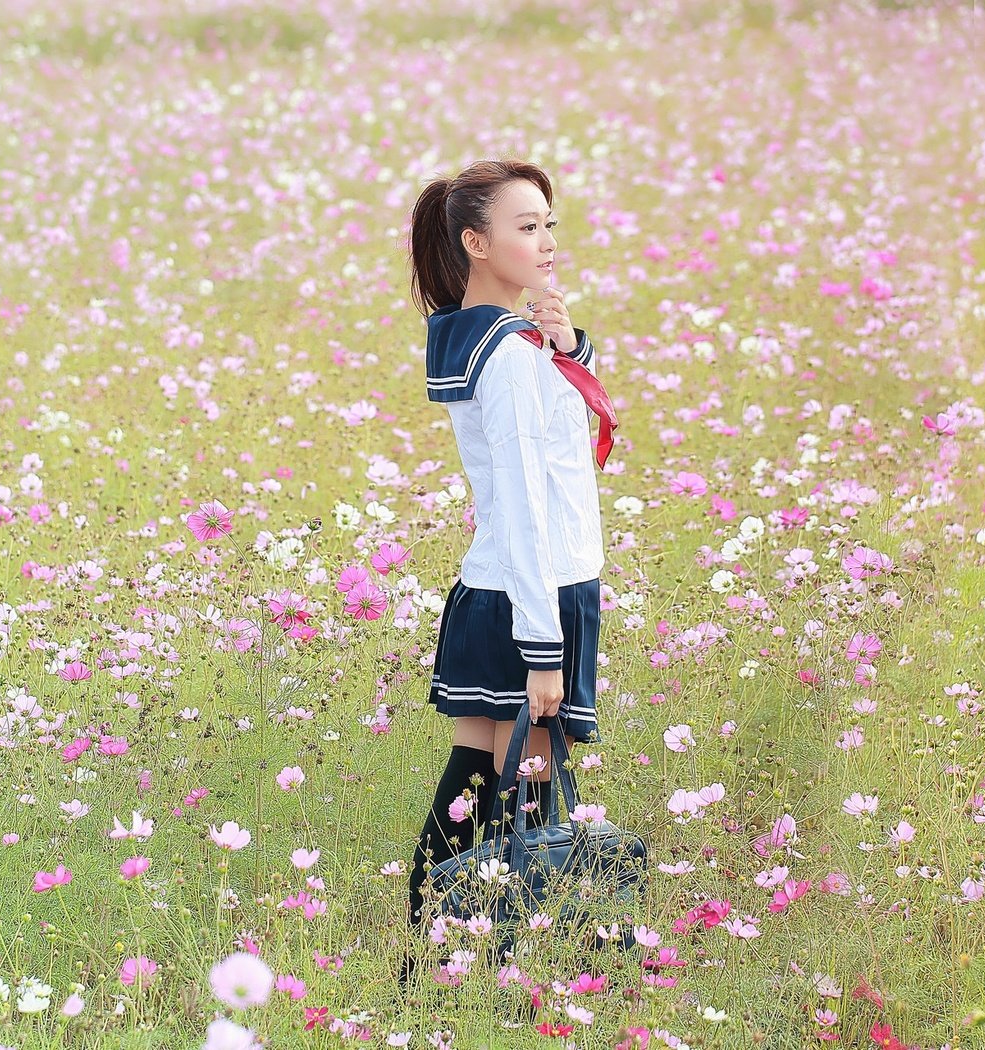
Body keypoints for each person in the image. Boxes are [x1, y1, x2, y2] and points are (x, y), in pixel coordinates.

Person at [399, 159, 619, 984]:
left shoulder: (495, 338)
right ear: (476, 243)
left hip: (501, 589)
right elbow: (529, 504)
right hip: (534, 595)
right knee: (524, 795)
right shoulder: (506, 356)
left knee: (485, 784)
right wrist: (543, 645)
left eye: (549, 225)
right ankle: (501, 962)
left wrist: (564, 344)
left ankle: (444, 954)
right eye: (528, 228)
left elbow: (550, 453)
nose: (547, 243)